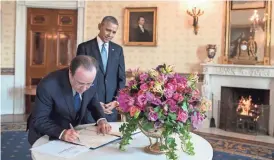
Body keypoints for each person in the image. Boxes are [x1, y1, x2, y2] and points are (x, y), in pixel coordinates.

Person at [27, 55, 111, 145]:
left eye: (89, 84)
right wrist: (62, 133)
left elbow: (93, 101)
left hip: (72, 134)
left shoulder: (91, 78)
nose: (84, 89)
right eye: (80, 83)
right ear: (70, 73)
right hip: (46, 134)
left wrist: (101, 119)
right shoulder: (48, 85)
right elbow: (40, 119)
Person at [76, 16, 126, 122]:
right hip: (90, 108)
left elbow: (121, 78)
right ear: (100, 26)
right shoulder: (84, 47)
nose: (110, 35)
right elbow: (80, 78)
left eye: (114, 32)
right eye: (108, 30)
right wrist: (95, 102)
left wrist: (116, 101)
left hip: (110, 108)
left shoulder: (118, 50)